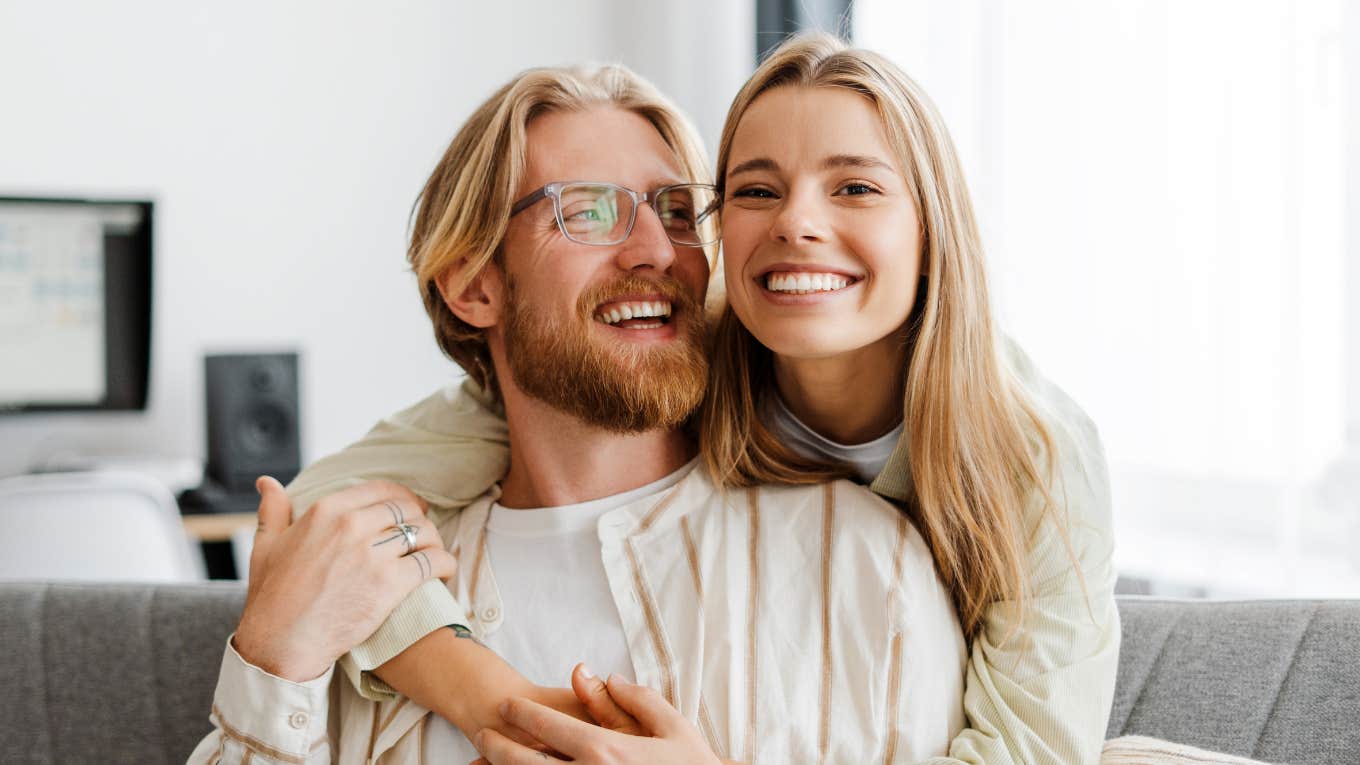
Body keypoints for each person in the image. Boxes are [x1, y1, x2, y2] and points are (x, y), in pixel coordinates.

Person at [286, 33, 1119, 765]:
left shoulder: (1032, 456)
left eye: (856, 188)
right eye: (754, 191)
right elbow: (315, 514)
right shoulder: (675, 360)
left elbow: (1036, 745)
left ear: (935, 234)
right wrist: (486, 691)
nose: (797, 223)